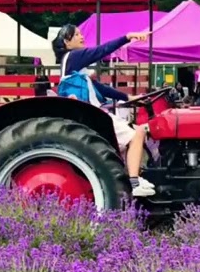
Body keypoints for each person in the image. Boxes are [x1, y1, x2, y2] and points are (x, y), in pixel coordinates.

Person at [52, 25, 158, 197]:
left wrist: (129, 98)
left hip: (92, 114)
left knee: (126, 140)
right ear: (67, 42)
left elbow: (101, 88)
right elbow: (101, 51)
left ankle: (131, 176)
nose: (81, 37)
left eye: (81, 33)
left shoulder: (74, 70)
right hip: (93, 115)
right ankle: (134, 182)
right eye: (76, 34)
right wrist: (127, 36)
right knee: (138, 133)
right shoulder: (73, 56)